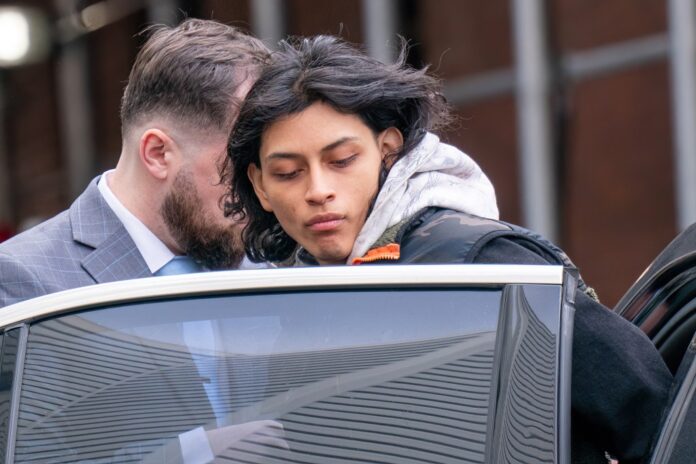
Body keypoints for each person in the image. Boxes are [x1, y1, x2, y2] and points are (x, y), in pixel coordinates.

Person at [225, 36, 673, 463]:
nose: (318, 190)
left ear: (388, 151)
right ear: (260, 187)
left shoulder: (480, 265)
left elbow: (651, 414)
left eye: (342, 161)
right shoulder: (298, 305)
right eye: (288, 173)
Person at [0, 18, 269, 308]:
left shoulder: (264, 265)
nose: (260, 190)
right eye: (239, 164)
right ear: (158, 153)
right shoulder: (25, 278)